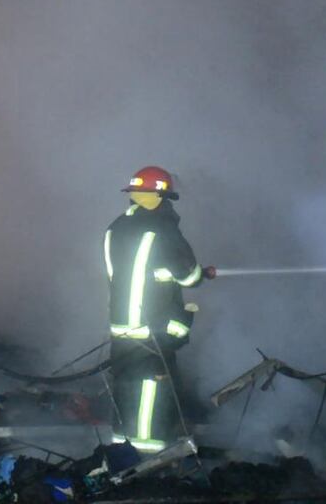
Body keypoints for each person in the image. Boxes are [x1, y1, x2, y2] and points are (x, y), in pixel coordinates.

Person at [103, 166, 215, 452]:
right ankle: (146, 463)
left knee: (125, 399)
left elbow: (122, 276)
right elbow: (188, 275)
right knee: (150, 404)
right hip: (153, 334)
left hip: (121, 333)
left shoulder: (115, 229)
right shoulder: (164, 229)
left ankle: (119, 459)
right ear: (163, 197)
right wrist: (201, 274)